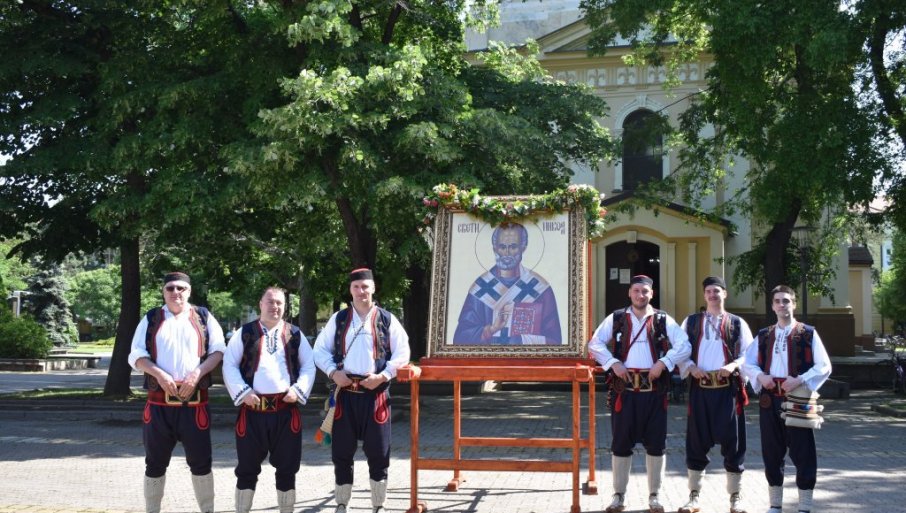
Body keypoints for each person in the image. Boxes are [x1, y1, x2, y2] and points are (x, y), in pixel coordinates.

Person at [587, 274, 691, 513]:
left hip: (654, 392)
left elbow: (685, 346)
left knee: (656, 444)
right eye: (636, 291)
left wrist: (664, 362)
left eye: (645, 291)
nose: (640, 295)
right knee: (621, 443)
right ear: (629, 293)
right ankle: (619, 496)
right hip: (625, 392)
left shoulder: (663, 319)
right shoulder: (616, 318)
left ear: (651, 294)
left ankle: (654, 496)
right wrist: (613, 362)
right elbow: (594, 343)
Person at [313, 268, 411, 513]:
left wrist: (383, 376)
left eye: (365, 286)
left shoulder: (387, 319)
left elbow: (403, 353)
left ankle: (378, 505)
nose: (361, 291)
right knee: (341, 452)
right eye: (356, 287)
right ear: (350, 290)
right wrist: (333, 372)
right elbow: (319, 350)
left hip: (376, 395)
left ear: (373, 288)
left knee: (379, 452)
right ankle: (342, 504)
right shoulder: (339, 319)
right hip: (345, 395)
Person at [128, 272, 226, 513]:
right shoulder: (151, 318)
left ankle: (207, 511)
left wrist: (197, 373)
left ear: (189, 291)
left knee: (202, 463)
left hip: (195, 406)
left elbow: (218, 350)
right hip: (159, 406)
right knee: (154, 464)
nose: (176, 292)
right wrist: (160, 375)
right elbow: (136, 355)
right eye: (170, 288)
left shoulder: (203, 317)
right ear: (163, 292)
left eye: (181, 288)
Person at [221, 287, 316, 513]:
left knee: (287, 469)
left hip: (285, 412)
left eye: (280, 303)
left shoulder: (295, 334)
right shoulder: (245, 333)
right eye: (271, 302)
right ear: (261, 304)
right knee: (246, 469)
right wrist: (243, 392)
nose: (275, 307)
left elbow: (309, 366)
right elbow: (229, 364)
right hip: (252, 412)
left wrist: (299, 390)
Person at [743, 285, 831, 513]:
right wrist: (760, 376)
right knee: (771, 452)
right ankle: (775, 504)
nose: (782, 305)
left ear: (794, 304)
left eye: (786, 301)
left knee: (803, 452)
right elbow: (747, 363)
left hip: (797, 399)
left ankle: (805, 506)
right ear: (773, 306)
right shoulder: (764, 335)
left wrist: (800, 379)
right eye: (778, 301)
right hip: (769, 400)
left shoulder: (808, 333)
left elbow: (824, 365)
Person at [677, 276, 754, 513]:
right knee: (696, 442)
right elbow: (679, 351)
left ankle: (735, 498)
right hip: (700, 390)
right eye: (709, 291)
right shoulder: (691, 322)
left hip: (728, 391)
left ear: (724, 294)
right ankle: (694, 496)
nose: (712, 295)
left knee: (734, 442)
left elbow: (750, 354)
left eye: (716, 291)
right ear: (704, 295)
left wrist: (733, 365)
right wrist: (690, 367)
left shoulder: (737, 323)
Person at [453, 222, 561, 345]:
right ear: (495, 248)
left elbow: (555, 341)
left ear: (523, 247)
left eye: (513, 247)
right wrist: (491, 330)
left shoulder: (540, 288)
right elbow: (461, 338)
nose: (507, 253)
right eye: (502, 247)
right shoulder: (481, 288)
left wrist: (521, 340)